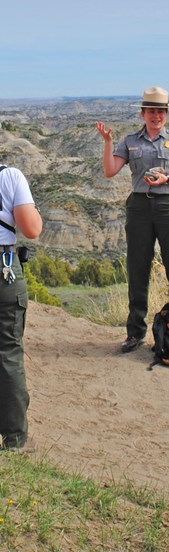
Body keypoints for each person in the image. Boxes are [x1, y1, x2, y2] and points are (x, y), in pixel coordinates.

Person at [96, 87, 169, 353]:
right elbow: (110, 171)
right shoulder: (130, 142)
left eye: (161, 111)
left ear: (166, 113)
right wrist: (108, 142)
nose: (157, 116)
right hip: (140, 207)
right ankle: (135, 333)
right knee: (137, 268)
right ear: (143, 113)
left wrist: (168, 179)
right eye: (152, 111)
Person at [0, 164, 42, 450]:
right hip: (5, 268)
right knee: (8, 352)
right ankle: (14, 439)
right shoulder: (9, 176)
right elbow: (31, 229)